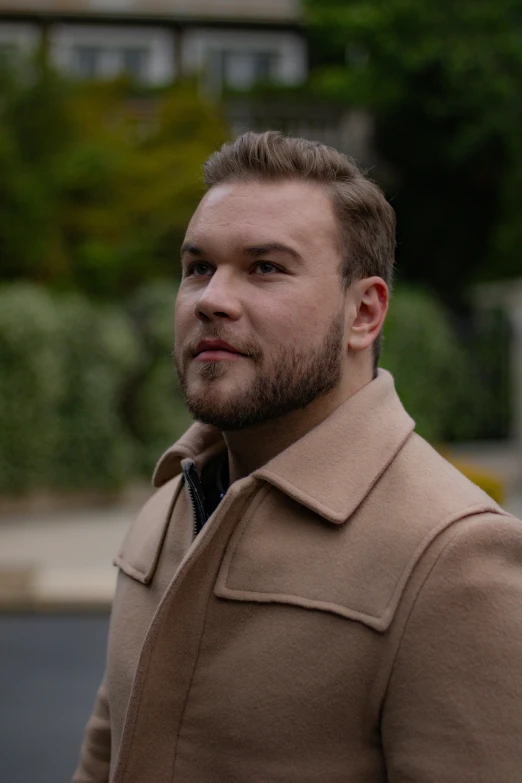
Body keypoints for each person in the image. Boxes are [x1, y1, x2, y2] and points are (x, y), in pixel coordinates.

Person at [73, 131, 522, 783]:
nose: (211, 299)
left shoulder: (457, 556)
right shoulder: (172, 498)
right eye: (198, 267)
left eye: (265, 267)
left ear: (363, 312)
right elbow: (102, 762)